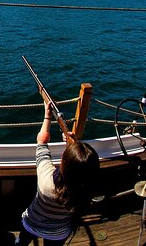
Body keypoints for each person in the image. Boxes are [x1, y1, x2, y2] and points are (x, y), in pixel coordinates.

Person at [18, 102, 100, 245]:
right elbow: (79, 170)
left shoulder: (46, 179)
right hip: (59, 233)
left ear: (63, 162)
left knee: (22, 242)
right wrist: (73, 145)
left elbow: (42, 141)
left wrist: (47, 116)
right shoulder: (88, 189)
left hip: (32, 224)